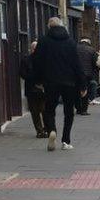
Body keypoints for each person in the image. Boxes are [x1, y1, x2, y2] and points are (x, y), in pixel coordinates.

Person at [32, 17, 86, 151]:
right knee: (69, 111)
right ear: (62, 26)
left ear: (49, 27)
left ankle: (52, 130)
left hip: (50, 81)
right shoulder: (70, 42)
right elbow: (77, 64)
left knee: (49, 109)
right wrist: (82, 84)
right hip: (70, 82)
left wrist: (37, 81)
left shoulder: (43, 41)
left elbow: (37, 62)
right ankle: (66, 140)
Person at [20, 41, 47, 137]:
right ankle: (39, 131)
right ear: (31, 49)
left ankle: (46, 129)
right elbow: (22, 73)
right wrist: (33, 78)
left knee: (44, 110)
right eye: (34, 49)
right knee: (34, 111)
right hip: (31, 89)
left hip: (44, 89)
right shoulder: (26, 60)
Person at [76, 38, 99, 115]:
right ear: (88, 42)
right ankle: (84, 109)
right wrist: (95, 71)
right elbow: (95, 63)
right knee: (85, 91)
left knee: (76, 91)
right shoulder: (92, 50)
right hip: (87, 74)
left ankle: (78, 108)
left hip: (75, 73)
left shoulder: (74, 48)